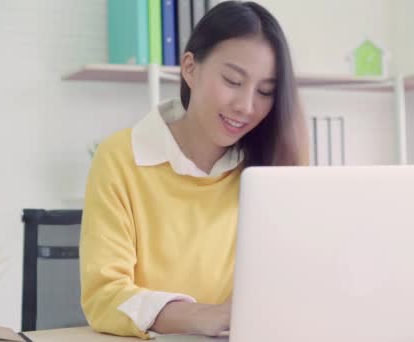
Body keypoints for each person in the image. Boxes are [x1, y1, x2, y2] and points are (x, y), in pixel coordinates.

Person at [79, 1, 308, 339]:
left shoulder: (270, 167)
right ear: (190, 68)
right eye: (232, 81)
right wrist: (199, 316)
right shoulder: (121, 157)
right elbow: (103, 297)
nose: (246, 106)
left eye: (265, 92)